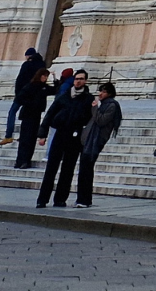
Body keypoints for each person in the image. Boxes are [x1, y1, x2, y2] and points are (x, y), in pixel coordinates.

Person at [36, 69, 92, 207]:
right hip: (60, 133)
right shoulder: (64, 96)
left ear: (85, 81)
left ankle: (60, 199)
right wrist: (42, 133)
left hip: (75, 136)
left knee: (68, 169)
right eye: (76, 78)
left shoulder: (88, 99)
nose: (78, 81)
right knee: (51, 168)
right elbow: (50, 114)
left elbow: (91, 118)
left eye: (81, 79)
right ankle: (42, 199)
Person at [75, 82, 121, 208]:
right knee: (84, 170)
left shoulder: (111, 106)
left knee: (87, 170)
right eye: (100, 91)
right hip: (89, 141)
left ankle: (84, 200)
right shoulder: (104, 105)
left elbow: (101, 121)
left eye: (104, 91)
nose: (100, 94)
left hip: (95, 142)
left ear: (110, 93)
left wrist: (95, 108)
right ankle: (82, 198)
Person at [0, 47, 43, 146]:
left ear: (28, 56)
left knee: (12, 112)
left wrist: (18, 93)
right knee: (28, 116)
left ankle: (8, 136)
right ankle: (24, 135)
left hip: (23, 93)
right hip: (35, 94)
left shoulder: (27, 65)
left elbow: (20, 79)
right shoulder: (41, 65)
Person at [13, 67, 53, 168]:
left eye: (46, 76)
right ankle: (20, 160)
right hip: (28, 114)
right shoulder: (31, 86)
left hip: (36, 115)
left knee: (31, 139)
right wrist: (31, 104)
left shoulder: (44, 87)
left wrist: (56, 79)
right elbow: (19, 98)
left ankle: (26, 160)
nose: (45, 78)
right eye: (44, 76)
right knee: (25, 139)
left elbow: (55, 90)